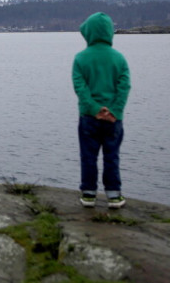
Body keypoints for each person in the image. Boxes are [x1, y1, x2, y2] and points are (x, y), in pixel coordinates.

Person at [72, 12, 131, 209]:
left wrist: (95, 109)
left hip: (89, 118)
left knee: (88, 156)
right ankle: (113, 195)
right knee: (111, 156)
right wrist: (113, 111)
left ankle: (89, 194)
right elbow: (124, 87)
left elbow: (80, 88)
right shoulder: (119, 59)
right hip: (114, 120)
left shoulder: (80, 59)